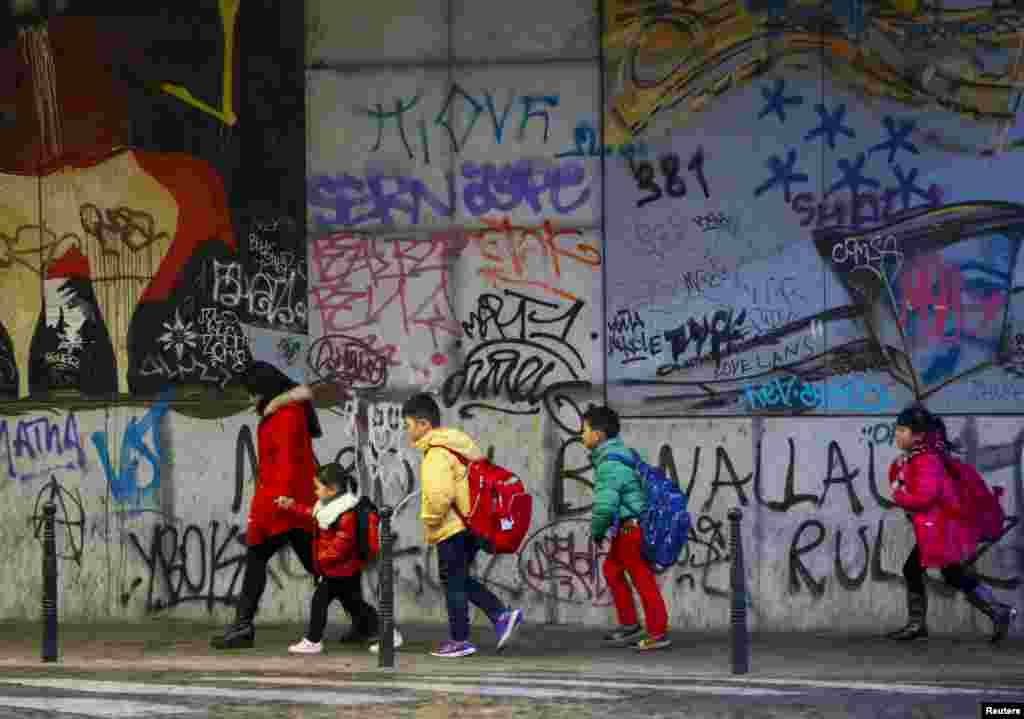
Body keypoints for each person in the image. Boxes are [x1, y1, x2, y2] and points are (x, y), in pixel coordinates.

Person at [401, 393, 523, 658]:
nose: (407, 430)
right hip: (471, 524)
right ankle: (500, 616)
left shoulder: (436, 453)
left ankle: (461, 639)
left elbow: (439, 497)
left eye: (408, 424)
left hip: (452, 528)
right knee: (458, 579)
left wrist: (430, 520)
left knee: (453, 581)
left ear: (423, 424)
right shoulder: (459, 444)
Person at [211, 362, 321, 649]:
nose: (250, 399)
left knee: (260, 558)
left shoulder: (285, 415)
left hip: (283, 506)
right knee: (322, 567)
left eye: (252, 393)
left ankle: (243, 626)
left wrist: (281, 501)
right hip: (289, 505)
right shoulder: (284, 413)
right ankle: (367, 622)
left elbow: (285, 462)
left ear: (265, 391)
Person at [887, 404, 1017, 642]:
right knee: (951, 573)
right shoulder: (919, 457)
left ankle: (918, 625)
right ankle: (998, 612)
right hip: (938, 528)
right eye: (898, 429)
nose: (897, 434)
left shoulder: (926, 460)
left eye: (902, 430)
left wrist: (898, 492)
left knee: (916, 569)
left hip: (940, 529)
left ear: (918, 436)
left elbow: (924, 497)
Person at [276, 463, 402, 654]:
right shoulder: (330, 507)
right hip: (342, 570)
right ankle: (387, 632)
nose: (315, 491)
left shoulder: (346, 513)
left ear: (332, 489)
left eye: (318, 487)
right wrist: (292, 506)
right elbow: (315, 516)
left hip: (339, 570)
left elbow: (342, 544)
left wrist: (321, 559)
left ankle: (313, 640)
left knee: (321, 601)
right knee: (356, 605)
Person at [582, 404, 670, 651]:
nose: (582, 435)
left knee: (642, 577)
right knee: (612, 570)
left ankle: (657, 632)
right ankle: (630, 625)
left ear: (598, 434)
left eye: (584, 429)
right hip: (627, 529)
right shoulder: (616, 455)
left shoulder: (610, 463)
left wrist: (597, 531)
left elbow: (606, 505)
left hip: (630, 530)